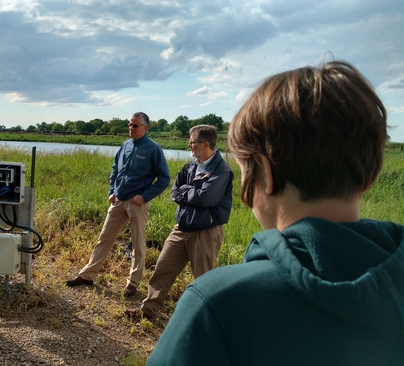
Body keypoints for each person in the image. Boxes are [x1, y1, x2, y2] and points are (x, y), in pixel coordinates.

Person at [147, 60, 404, 365]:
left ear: (265, 174)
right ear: (370, 177)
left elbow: (195, 196)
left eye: (244, 170)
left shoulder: (218, 303)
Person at [125, 124, 233, 320]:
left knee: (204, 280)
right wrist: (190, 193)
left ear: (205, 144)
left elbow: (206, 198)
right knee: (163, 269)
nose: (189, 145)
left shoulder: (222, 170)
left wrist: (187, 191)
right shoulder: (191, 166)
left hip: (206, 232)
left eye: (192, 142)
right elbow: (175, 192)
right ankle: (148, 311)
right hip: (181, 228)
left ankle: (207, 323)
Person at [66, 112, 170, 296]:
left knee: (138, 244)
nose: (131, 128)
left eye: (135, 125)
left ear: (145, 128)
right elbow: (115, 169)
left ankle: (133, 282)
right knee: (104, 239)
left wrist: (144, 197)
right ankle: (87, 275)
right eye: (130, 124)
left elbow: (164, 178)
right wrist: (111, 191)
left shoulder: (153, 149)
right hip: (118, 200)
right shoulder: (125, 145)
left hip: (137, 203)